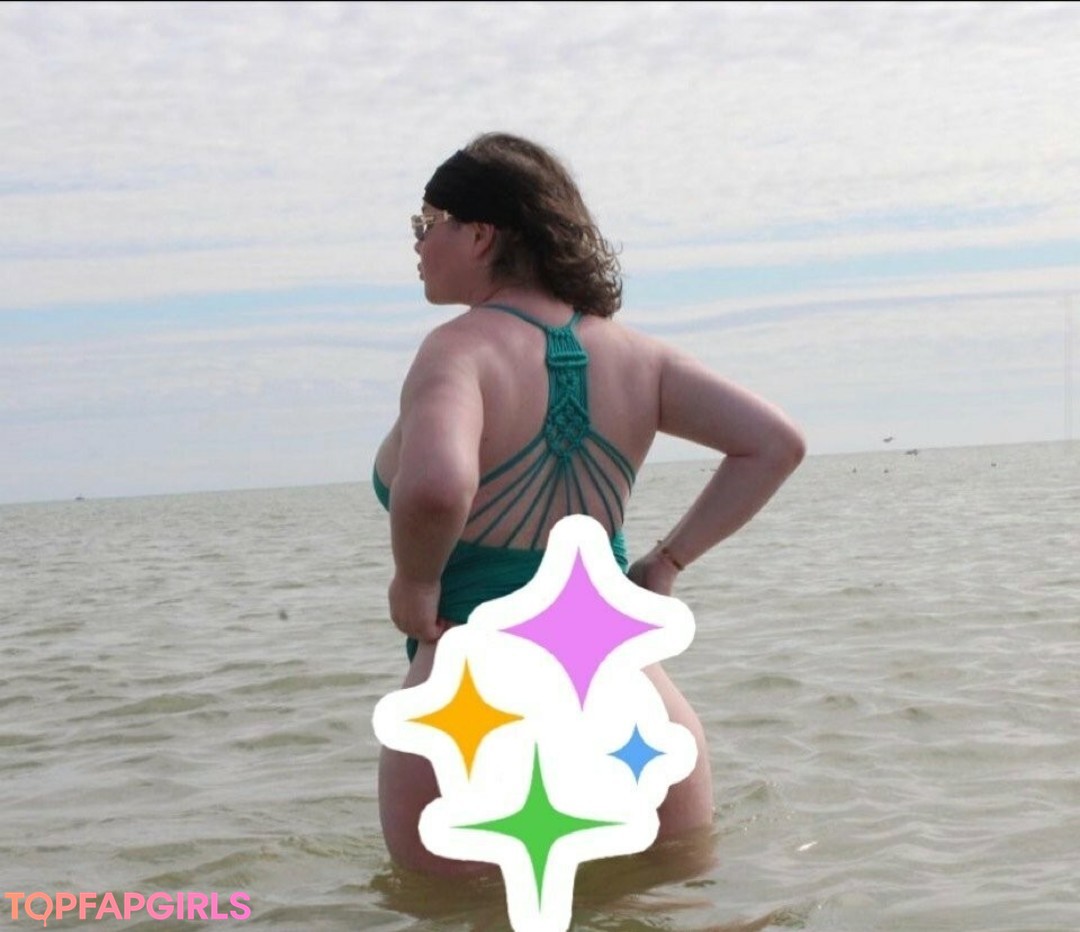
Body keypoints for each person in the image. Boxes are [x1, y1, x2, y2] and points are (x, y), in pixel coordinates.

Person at [372, 132, 805, 875]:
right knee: (661, 911)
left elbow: (439, 485)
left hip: (475, 704)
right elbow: (775, 443)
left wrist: (415, 582)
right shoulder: (640, 357)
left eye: (427, 222)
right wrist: (666, 563)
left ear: (480, 235)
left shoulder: (458, 350)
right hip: (629, 703)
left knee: (459, 919)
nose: (417, 243)